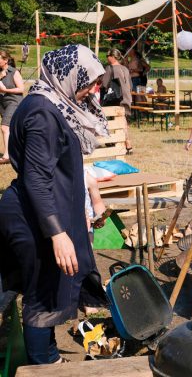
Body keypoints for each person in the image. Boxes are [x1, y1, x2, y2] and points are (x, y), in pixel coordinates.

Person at [0, 44, 109, 365]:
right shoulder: (43, 114)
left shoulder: (50, 104)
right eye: (90, 80)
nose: (95, 89)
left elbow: (61, 171)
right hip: (34, 220)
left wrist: (82, 209)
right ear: (69, 76)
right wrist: (58, 234)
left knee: (37, 289)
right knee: (43, 300)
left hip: (40, 213)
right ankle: (45, 364)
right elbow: (36, 178)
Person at [102, 48, 133, 154]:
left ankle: (125, 142)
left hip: (116, 98)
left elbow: (104, 84)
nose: (106, 58)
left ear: (112, 57)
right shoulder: (125, 69)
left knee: (116, 121)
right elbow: (130, 85)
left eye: (107, 55)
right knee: (123, 121)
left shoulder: (109, 68)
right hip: (127, 97)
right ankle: (126, 143)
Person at [0, 50, 24, 165]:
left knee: (4, 127)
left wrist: (5, 90)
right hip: (2, 103)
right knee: (11, 128)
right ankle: (17, 151)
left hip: (14, 102)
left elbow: (21, 89)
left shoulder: (14, 72)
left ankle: (7, 155)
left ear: (5, 60)